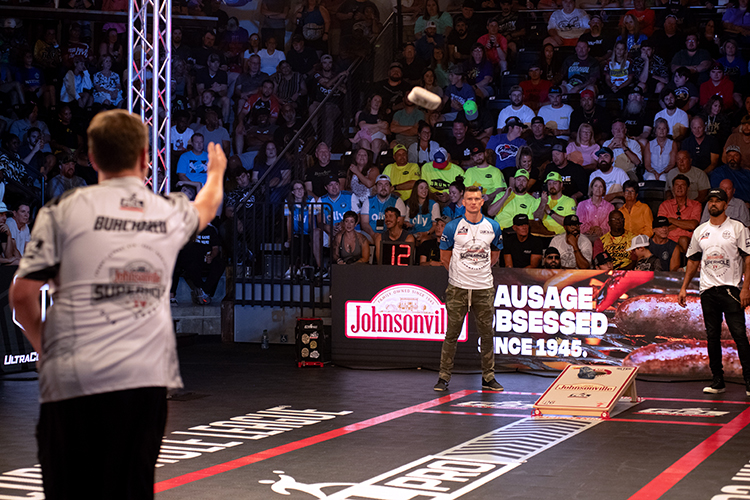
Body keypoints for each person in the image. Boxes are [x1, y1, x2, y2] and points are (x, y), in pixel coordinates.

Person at [9, 110, 227, 500]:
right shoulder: (164, 210)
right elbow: (207, 207)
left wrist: (46, 347)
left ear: (91, 157)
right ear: (145, 158)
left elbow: (23, 295)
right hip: (140, 381)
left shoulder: (61, 212)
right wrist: (215, 173)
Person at [679, 188, 750, 397]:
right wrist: (683, 287)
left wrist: (746, 287)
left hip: (731, 288)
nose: (714, 204)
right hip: (707, 289)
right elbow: (692, 260)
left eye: (718, 201)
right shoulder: (700, 230)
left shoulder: (737, 228)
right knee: (712, 336)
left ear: (726, 205)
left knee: (739, 335)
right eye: (710, 200)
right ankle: (718, 381)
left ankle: (749, 381)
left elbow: (748, 258)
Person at [434, 186, 503, 392]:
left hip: (484, 287)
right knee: (451, 334)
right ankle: (443, 377)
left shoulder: (493, 226)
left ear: (482, 202)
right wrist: (460, 274)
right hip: (458, 288)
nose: (473, 202)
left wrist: (479, 271)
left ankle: (488, 377)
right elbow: (444, 257)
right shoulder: (452, 227)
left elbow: (495, 254)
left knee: (487, 334)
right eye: (469, 199)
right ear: (463, 202)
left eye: (477, 199)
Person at [658, 174, 701, 253]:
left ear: (688, 188)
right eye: (677, 185)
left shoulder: (696, 205)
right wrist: (684, 224)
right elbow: (660, 227)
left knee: (683, 239)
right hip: (667, 239)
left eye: (682, 185)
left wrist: (670, 220)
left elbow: (692, 225)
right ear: (673, 188)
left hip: (687, 242)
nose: (679, 188)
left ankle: (683, 264)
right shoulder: (665, 205)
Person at [534, 171, 576, 235]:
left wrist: (550, 212)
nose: (552, 186)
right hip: (542, 235)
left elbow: (569, 224)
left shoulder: (569, 201)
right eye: (549, 183)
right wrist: (542, 204)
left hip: (560, 236)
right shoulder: (541, 200)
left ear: (561, 184)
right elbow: (536, 219)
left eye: (555, 183)